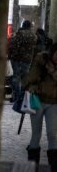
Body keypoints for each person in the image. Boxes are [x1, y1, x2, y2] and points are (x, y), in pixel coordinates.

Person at [23, 43, 57, 172]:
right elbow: (29, 79)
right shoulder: (41, 60)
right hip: (38, 101)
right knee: (36, 134)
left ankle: (54, 166)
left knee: (52, 134)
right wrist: (32, 86)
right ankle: (33, 166)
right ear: (52, 52)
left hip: (54, 103)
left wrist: (52, 70)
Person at [8, 20, 37, 103]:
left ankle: (17, 96)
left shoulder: (20, 34)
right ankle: (23, 97)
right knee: (24, 78)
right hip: (28, 60)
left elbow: (15, 46)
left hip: (17, 59)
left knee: (15, 77)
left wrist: (12, 55)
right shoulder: (34, 36)